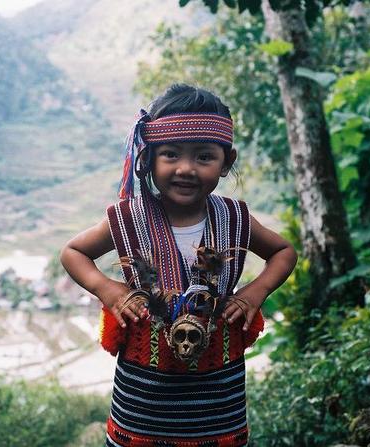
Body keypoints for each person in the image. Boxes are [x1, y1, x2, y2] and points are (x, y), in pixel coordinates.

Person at [60, 83, 297, 447]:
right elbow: (74, 252)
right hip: (144, 394)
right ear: (148, 157)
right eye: (170, 154)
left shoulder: (236, 219)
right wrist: (109, 290)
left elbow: (283, 252)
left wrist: (254, 293)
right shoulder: (129, 218)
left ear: (226, 162)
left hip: (219, 392)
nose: (186, 169)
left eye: (204, 157)